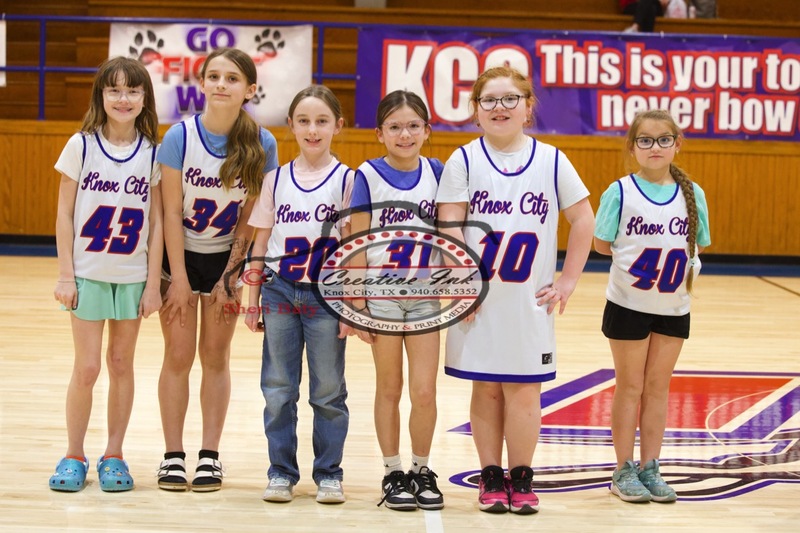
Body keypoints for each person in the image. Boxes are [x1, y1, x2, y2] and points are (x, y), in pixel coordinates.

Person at [436, 66, 594, 514]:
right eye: (489, 100)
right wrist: (462, 283)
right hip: (479, 303)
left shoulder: (552, 159)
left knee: (525, 392)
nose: (499, 107)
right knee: (486, 389)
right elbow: (447, 227)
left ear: (528, 107)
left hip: (529, 303)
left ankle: (522, 476)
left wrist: (568, 280)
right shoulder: (463, 160)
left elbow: (584, 220)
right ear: (476, 110)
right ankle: (490, 475)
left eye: (510, 99)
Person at [156, 47, 278, 492]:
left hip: (227, 257)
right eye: (214, 76)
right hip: (180, 256)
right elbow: (169, 213)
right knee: (178, 355)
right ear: (202, 83)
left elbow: (252, 214)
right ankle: (172, 454)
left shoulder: (263, 143)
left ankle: (209, 455)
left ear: (249, 89)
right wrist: (181, 281)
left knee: (216, 356)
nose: (222, 84)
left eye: (232, 78)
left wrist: (232, 276)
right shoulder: (179, 137)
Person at [50, 56, 162, 492]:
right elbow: (63, 215)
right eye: (114, 89)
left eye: (133, 91)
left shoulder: (153, 151)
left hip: (132, 276)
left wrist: (153, 284)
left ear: (144, 98)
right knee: (89, 367)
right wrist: (65, 274)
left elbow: (155, 228)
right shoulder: (81, 145)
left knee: (121, 363)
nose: (123, 98)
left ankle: (114, 453)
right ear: (101, 95)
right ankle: (73, 453)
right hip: (89, 273)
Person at [594, 109, 710, 503]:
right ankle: (622, 469)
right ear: (633, 147)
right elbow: (601, 243)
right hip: (628, 304)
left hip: (674, 307)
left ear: (677, 145)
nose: (655, 147)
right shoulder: (620, 191)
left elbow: (700, 245)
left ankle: (651, 466)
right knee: (630, 387)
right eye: (645, 140)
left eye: (664, 139)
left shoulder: (694, 194)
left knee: (658, 388)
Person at [244, 85, 352, 505]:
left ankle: (329, 473)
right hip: (279, 291)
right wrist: (251, 299)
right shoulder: (275, 179)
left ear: (337, 126)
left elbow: (352, 246)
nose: (312, 129)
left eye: (322, 121)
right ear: (290, 125)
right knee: (277, 388)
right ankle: (281, 472)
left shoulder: (348, 179)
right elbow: (260, 243)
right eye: (304, 121)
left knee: (327, 390)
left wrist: (350, 304)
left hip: (326, 296)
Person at [349, 90, 445, 511]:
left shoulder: (439, 172)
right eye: (394, 126)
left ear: (427, 131)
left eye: (412, 126)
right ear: (379, 133)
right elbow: (353, 242)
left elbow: (451, 233)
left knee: (424, 390)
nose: (404, 134)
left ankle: (422, 469)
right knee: (389, 387)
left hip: (425, 296)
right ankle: (392, 471)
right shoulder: (367, 175)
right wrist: (356, 302)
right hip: (382, 297)